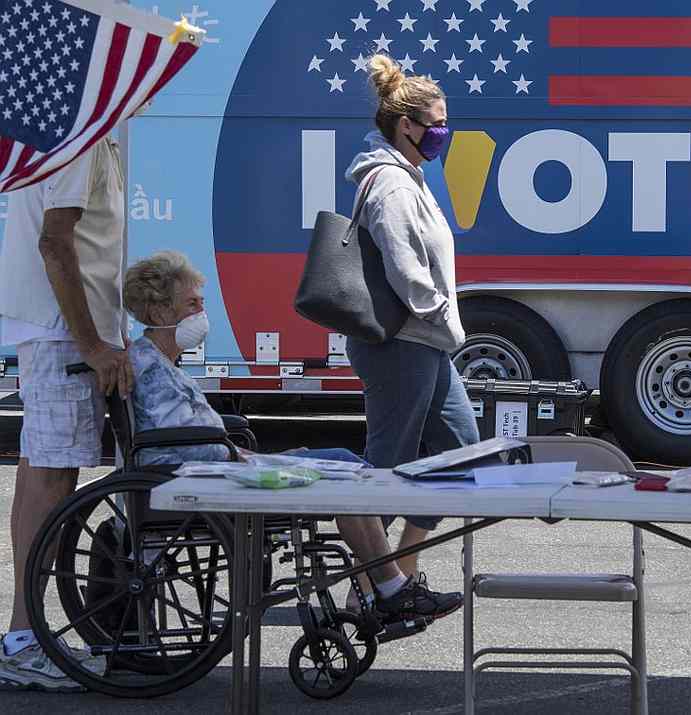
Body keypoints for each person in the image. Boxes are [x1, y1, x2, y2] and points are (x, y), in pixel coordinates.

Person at [121, 250, 463, 623]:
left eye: (201, 303)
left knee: (348, 465)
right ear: (158, 313)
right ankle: (391, 588)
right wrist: (243, 457)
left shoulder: (158, 363)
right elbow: (177, 447)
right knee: (347, 470)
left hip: (220, 466)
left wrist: (247, 453)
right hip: (207, 480)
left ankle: (387, 586)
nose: (201, 313)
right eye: (191, 304)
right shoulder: (150, 369)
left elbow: (185, 437)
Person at [0, 137, 133, 692]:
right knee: (51, 479)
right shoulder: (81, 140)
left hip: (56, 336)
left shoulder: (80, 134)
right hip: (63, 339)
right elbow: (55, 244)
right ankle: (25, 641)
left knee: (42, 476)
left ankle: (25, 637)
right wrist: (93, 345)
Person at [344, 54, 480, 579]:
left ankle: (397, 569)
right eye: (437, 123)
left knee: (462, 455)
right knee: (388, 467)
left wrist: (441, 330)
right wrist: (447, 319)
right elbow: (406, 269)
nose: (444, 133)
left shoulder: (411, 176)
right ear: (407, 126)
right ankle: (371, 585)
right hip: (402, 343)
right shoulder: (392, 184)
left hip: (425, 343)